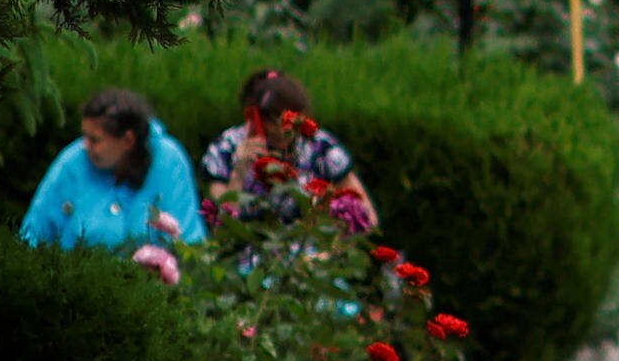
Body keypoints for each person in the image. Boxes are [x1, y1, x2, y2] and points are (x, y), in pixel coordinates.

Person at [20, 87, 200, 260]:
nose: (85, 146)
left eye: (95, 140)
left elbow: (190, 243)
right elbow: (34, 232)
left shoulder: (168, 161)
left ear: (128, 141)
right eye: (85, 136)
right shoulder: (72, 161)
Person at [204, 67, 376, 231]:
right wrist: (240, 171)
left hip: (310, 251)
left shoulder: (320, 146)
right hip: (246, 254)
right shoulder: (226, 148)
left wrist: (331, 247)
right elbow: (221, 226)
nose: (282, 129)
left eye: (290, 118)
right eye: (272, 119)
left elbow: (367, 216)